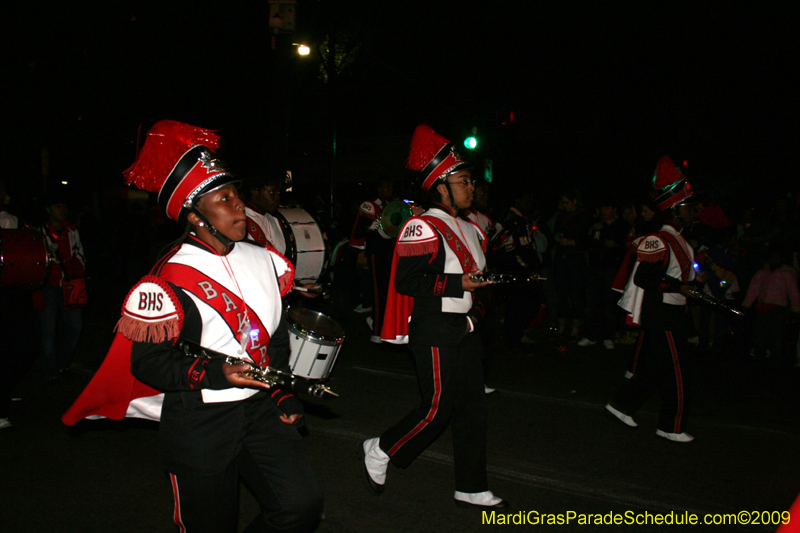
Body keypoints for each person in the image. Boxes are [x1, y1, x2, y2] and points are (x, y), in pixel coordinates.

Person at [63, 121, 322, 532]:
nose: (239, 205)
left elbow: (272, 338)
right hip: (201, 420)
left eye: (236, 195)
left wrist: (281, 394)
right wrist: (214, 373)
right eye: (224, 198)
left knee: (301, 507)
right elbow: (147, 362)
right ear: (195, 215)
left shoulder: (265, 259)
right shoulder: (167, 278)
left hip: (259, 410)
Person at [362, 124, 507, 509]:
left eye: (470, 181)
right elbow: (409, 281)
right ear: (440, 186)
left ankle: (471, 486)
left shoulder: (472, 227)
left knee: (473, 409)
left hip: (466, 328)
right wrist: (461, 284)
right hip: (435, 328)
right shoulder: (421, 225)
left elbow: (478, 282)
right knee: (437, 409)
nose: (470, 187)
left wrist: (476, 312)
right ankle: (381, 448)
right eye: (463, 181)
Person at [606, 156, 703, 443]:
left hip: (671, 311)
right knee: (676, 370)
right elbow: (644, 278)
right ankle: (671, 426)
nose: (694, 211)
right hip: (662, 312)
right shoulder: (660, 238)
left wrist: (693, 282)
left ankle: (621, 405)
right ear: (675, 209)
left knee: (657, 367)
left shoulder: (680, 239)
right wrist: (679, 286)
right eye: (689, 207)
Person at [36, 194, 86, 384]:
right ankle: (50, 372)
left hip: (70, 286)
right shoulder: (39, 232)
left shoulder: (72, 231)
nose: (62, 210)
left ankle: (63, 365)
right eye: (57, 206)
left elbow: (80, 256)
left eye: (64, 206)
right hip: (48, 286)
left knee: (74, 328)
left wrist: (74, 268)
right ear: (48, 209)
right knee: (48, 332)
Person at [245, 174, 288, 255]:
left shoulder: (276, 220)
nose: (277, 197)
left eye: (278, 193)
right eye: (272, 192)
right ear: (254, 190)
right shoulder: (240, 220)